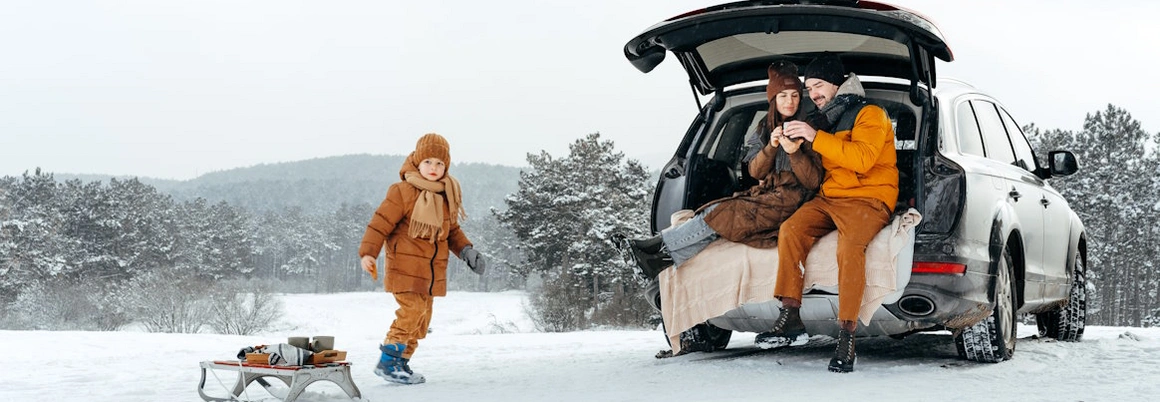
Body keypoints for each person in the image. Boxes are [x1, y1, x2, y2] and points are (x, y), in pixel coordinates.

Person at [755, 53, 898, 373]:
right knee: (791, 229)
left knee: (849, 248)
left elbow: (861, 159)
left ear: (836, 83)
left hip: (869, 199)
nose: (814, 94)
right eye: (810, 88)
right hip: (830, 197)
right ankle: (790, 315)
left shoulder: (871, 114)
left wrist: (814, 136)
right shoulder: (823, 118)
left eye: (818, 86)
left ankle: (847, 335)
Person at [626, 60, 823, 279]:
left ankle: (653, 246)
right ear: (773, 99)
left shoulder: (810, 128)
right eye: (783, 96)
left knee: (720, 214)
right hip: (768, 195)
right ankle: (658, 262)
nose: (790, 102)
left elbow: (813, 181)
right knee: (718, 216)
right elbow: (756, 173)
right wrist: (772, 147)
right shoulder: (764, 129)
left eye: (795, 95)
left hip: (793, 200)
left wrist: (795, 152)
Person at [358, 133, 487, 384]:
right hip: (405, 268)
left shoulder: (446, 195)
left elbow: (452, 232)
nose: (433, 168)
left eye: (439, 163)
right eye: (428, 161)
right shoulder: (402, 191)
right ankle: (387, 363)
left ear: (446, 167)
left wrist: (466, 251)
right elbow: (379, 224)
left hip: (430, 274)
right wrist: (368, 253)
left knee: (421, 320)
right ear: (417, 161)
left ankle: (401, 363)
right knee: (411, 311)